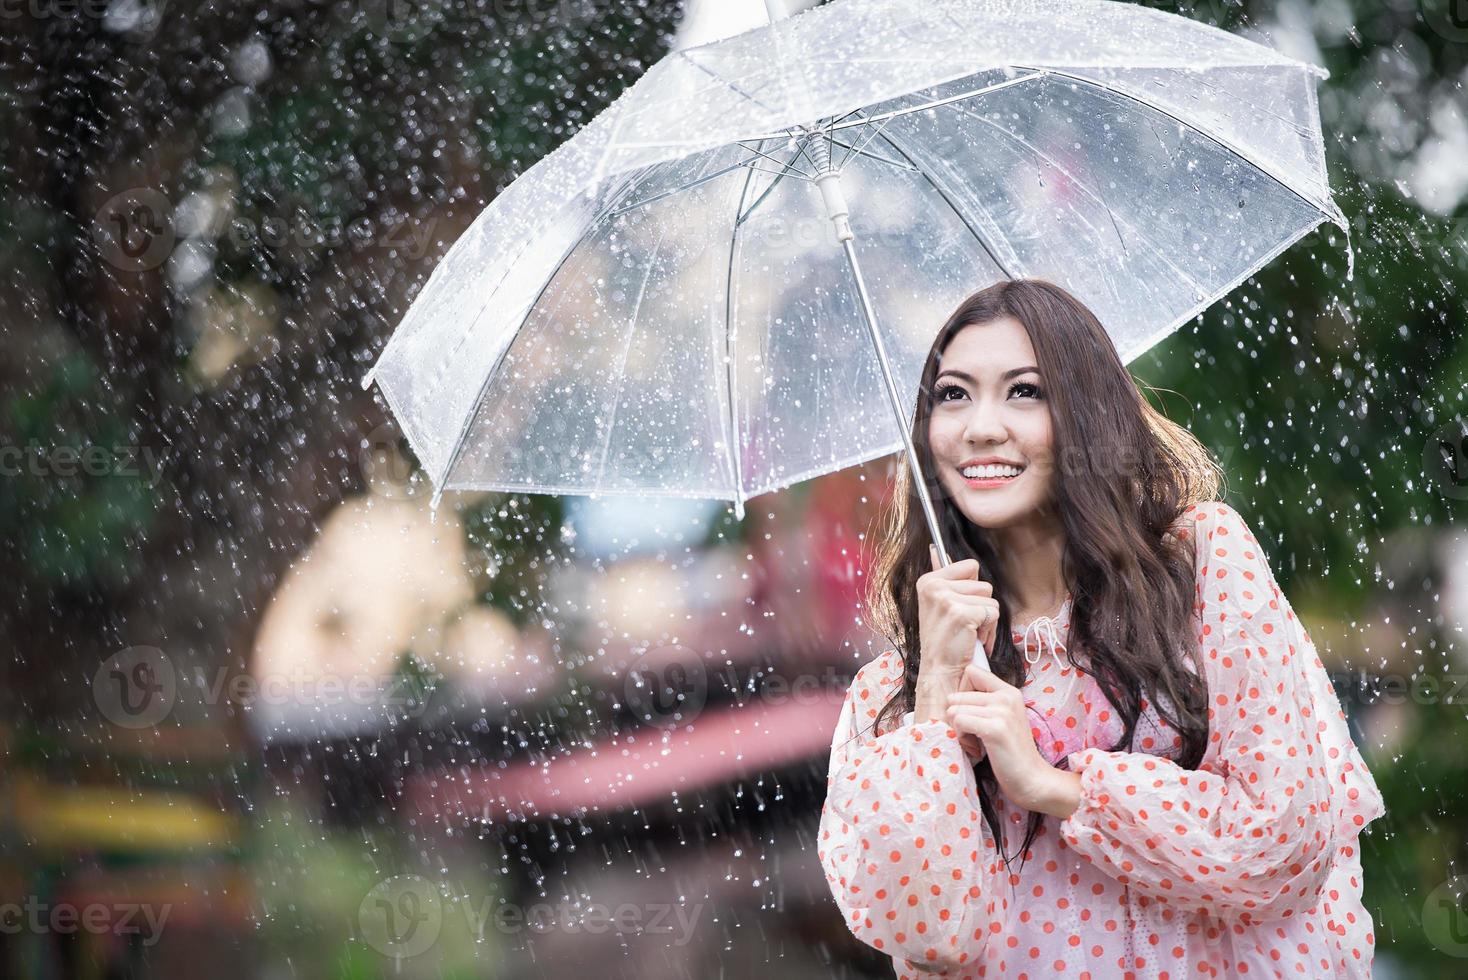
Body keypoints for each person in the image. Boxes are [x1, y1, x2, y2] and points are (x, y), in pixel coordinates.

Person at [816, 279, 1385, 978]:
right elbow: (929, 935)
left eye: (1024, 391)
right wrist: (934, 702)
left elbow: (1281, 840)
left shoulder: (1200, 568)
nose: (980, 427)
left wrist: (1055, 786)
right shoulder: (894, 693)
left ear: (1087, 411)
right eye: (953, 394)